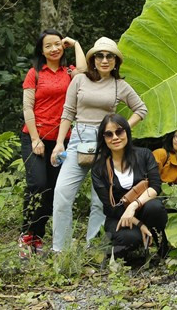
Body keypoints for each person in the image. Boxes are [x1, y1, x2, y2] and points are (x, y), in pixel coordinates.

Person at [50, 37, 148, 253]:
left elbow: (141, 109)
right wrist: (59, 143)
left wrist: (120, 131)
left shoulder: (119, 85)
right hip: (78, 140)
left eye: (109, 56)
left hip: (106, 144)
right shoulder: (79, 80)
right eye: (100, 56)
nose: (104, 60)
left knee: (100, 200)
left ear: (116, 61)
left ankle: (93, 249)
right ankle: (60, 250)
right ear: (93, 59)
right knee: (62, 194)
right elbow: (68, 112)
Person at [19, 30, 87, 257]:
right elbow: (28, 107)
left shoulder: (69, 72)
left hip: (62, 141)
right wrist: (35, 139)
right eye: (48, 46)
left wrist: (76, 43)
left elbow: (84, 72)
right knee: (37, 185)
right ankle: (27, 234)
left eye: (57, 44)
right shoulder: (35, 73)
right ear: (41, 50)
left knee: (53, 190)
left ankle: (37, 236)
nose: (54, 49)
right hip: (35, 138)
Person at [92, 114, 168, 261]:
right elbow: (110, 207)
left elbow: (155, 186)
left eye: (119, 132)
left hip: (144, 208)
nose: (115, 137)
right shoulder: (99, 168)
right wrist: (139, 224)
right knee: (129, 238)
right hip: (118, 215)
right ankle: (119, 255)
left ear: (127, 132)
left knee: (155, 207)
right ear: (103, 138)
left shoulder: (144, 154)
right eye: (109, 134)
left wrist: (133, 206)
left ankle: (163, 247)